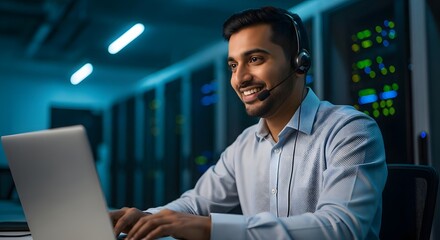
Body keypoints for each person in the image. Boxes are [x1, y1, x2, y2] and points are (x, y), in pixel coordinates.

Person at [110, 6, 387, 240]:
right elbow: (196, 204)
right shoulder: (244, 145)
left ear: (299, 62)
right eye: (233, 65)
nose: (240, 78)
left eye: (255, 59)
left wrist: (210, 228)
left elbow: (342, 227)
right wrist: (147, 218)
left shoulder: (350, 130)